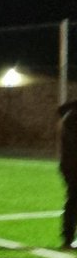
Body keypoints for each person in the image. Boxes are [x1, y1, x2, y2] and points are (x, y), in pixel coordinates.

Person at [58, 100, 77, 249]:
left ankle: (68, 238)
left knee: (73, 201)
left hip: (69, 165)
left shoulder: (70, 114)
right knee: (73, 201)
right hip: (73, 166)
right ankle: (68, 238)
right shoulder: (73, 117)